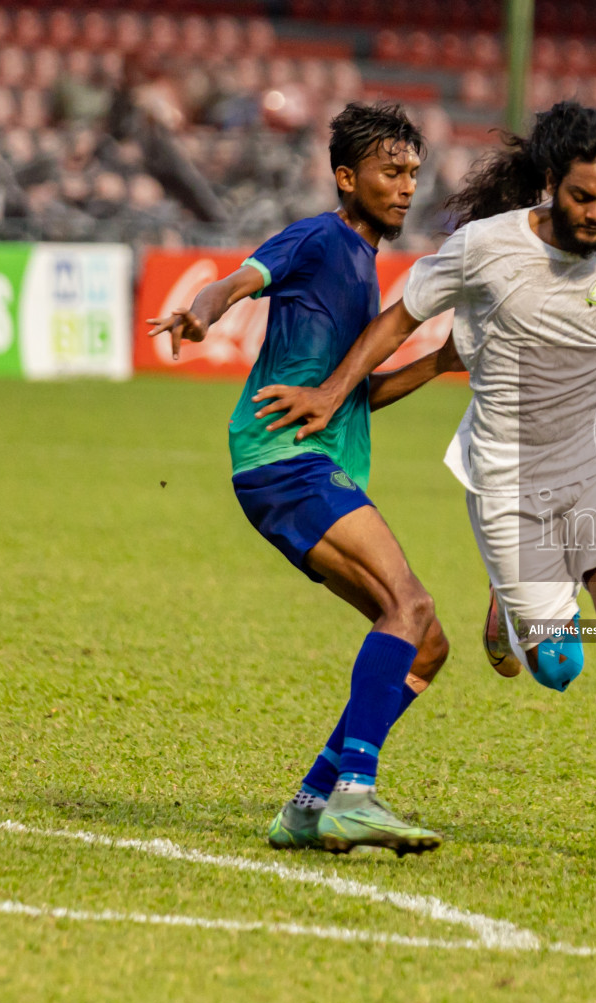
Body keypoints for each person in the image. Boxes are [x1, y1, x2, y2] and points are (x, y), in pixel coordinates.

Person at [253, 100, 596, 874]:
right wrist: (334, 392)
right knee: (556, 665)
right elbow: (399, 321)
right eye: (583, 198)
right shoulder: (482, 249)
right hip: (510, 476)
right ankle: (514, 619)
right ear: (550, 183)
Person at [145, 102, 449, 857]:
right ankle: (356, 794)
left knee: (426, 642)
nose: (406, 186)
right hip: (285, 462)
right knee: (406, 606)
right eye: (389, 172)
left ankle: (311, 805)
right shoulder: (319, 237)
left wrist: (441, 363)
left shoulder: (364, 267)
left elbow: (353, 392)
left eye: (412, 172)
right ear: (347, 179)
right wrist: (202, 311)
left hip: (308, 464)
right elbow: (241, 278)